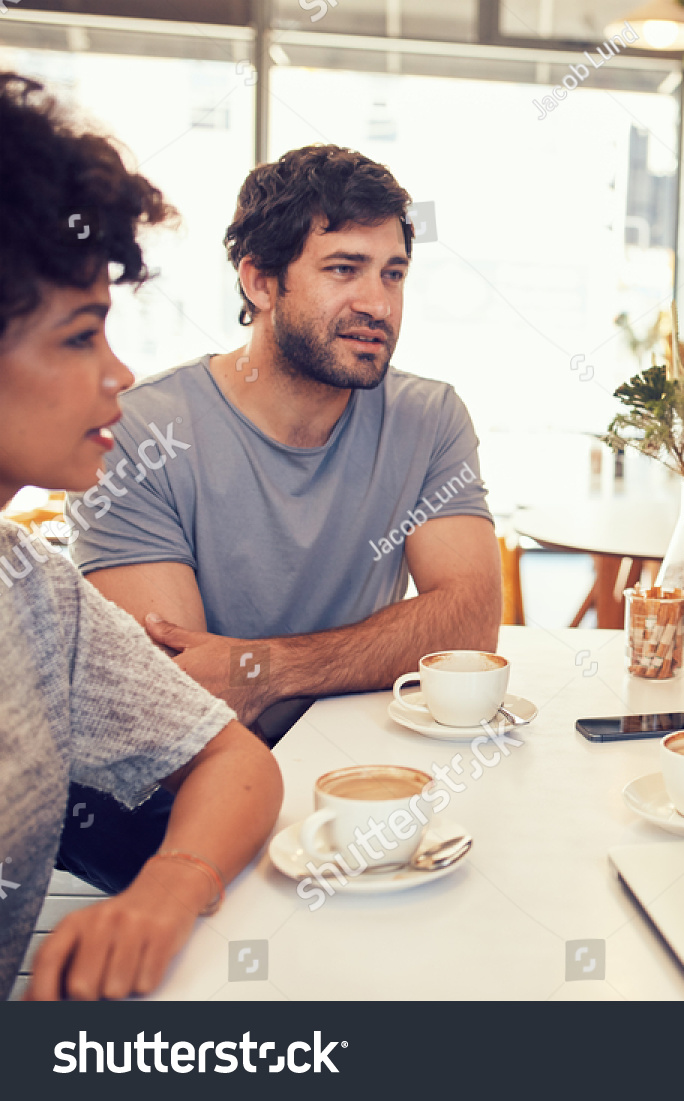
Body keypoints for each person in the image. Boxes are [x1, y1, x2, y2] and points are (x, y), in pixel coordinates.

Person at [54, 144, 502, 893]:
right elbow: (181, 707)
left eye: (394, 274)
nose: (378, 304)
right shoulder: (138, 431)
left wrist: (262, 668)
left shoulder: (429, 417)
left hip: (352, 767)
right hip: (175, 807)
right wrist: (355, 656)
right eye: (343, 269)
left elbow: (468, 624)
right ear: (259, 280)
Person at [0, 72, 282, 1000]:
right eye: (81, 337)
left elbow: (236, 760)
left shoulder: (37, 593)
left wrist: (168, 886)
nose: (120, 373)